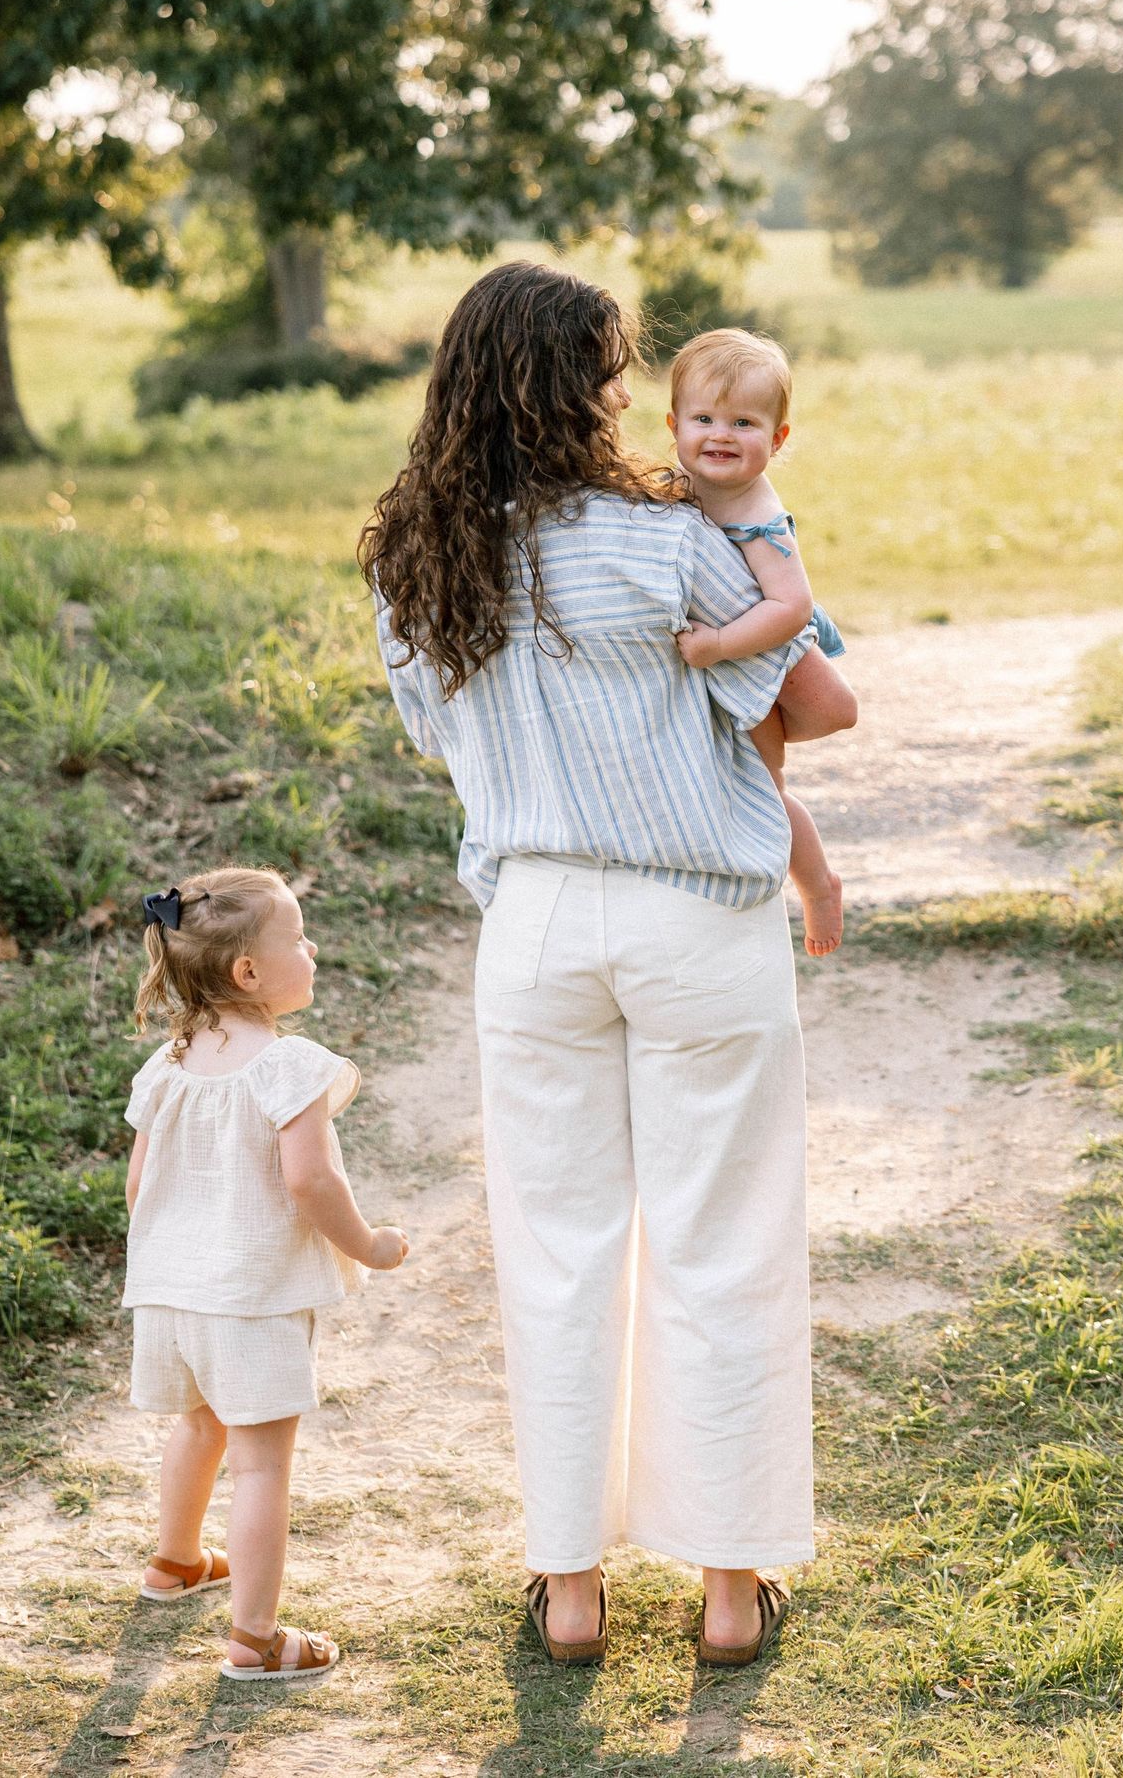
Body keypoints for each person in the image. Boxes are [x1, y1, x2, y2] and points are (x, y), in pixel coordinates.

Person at [360, 262, 857, 1669]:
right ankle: (723, 1588)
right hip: (694, 920)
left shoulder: (418, 558)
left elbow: (436, 736)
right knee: (725, 1238)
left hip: (534, 927)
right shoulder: (663, 541)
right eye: (613, 368)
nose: (631, 393)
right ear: (568, 386)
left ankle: (569, 1589)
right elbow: (819, 700)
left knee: (558, 1248)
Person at [122, 867, 409, 1685]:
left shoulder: (168, 1065)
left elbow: (138, 1187)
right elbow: (311, 1181)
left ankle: (176, 1562)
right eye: (297, 937)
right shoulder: (289, 1066)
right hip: (247, 1298)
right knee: (260, 1466)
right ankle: (255, 1637)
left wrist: (169, 1258)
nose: (311, 948)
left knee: (199, 1426)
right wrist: (369, 1247)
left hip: (170, 1292)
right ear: (249, 973)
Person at [666, 326, 849, 957]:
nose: (720, 434)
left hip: (766, 644)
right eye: (704, 418)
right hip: (746, 648)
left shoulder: (753, 509)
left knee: (765, 789)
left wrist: (718, 645)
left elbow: (791, 606)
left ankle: (818, 886)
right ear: (673, 425)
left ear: (777, 440)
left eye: (743, 422)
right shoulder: (683, 480)